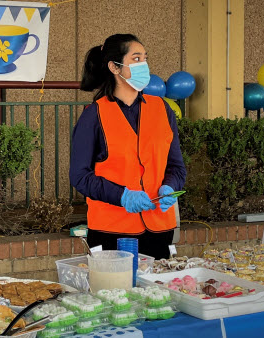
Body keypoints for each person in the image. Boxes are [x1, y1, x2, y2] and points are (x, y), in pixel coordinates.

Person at [69, 34, 187, 259]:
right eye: (136, 58)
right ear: (114, 67)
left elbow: (176, 167)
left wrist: (170, 187)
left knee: (157, 292)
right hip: (111, 230)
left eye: (145, 58)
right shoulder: (93, 115)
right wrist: (122, 196)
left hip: (159, 228)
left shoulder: (162, 109)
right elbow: (80, 176)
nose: (144, 64)